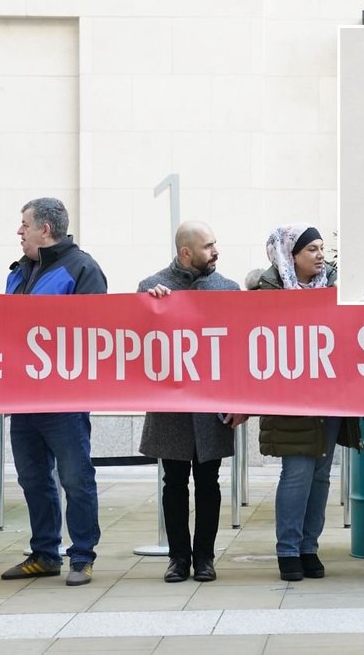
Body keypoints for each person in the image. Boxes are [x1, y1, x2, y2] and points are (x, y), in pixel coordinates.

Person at [0, 197, 106, 587]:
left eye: (24, 224)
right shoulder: (19, 272)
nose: (19, 231)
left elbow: (95, 331)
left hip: (64, 399)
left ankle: (82, 556)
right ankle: (45, 553)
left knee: (76, 478)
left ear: (45, 229)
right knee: (33, 478)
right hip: (23, 398)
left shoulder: (83, 269)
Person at [137, 220, 246, 583]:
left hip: (211, 406)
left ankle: (205, 558)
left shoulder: (229, 290)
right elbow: (137, 340)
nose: (215, 251)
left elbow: (239, 352)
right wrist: (149, 309)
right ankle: (178, 559)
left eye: (215, 244)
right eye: (208, 246)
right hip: (171, 407)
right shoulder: (151, 287)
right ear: (186, 252)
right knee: (173, 482)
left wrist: (241, 401)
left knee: (209, 482)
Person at [250, 223, 359, 581]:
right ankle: (288, 551)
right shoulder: (267, 292)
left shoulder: (334, 289)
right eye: (311, 249)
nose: (319, 255)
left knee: (321, 476)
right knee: (297, 474)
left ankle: (309, 547)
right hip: (291, 401)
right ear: (290, 255)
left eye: (321, 248)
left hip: (329, 399)